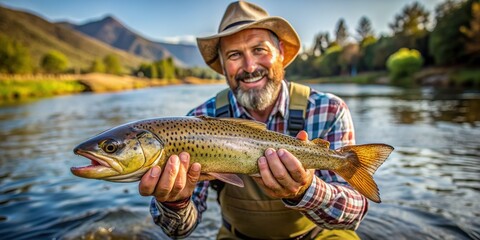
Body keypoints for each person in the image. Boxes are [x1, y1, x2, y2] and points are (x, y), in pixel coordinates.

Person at [139, 1, 367, 239]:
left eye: (259, 50)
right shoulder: (195, 123)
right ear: (223, 65)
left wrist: (305, 190)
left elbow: (354, 215)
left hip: (319, 234)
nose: (249, 67)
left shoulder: (328, 109)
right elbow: (179, 230)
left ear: (280, 52)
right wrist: (175, 203)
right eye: (235, 55)